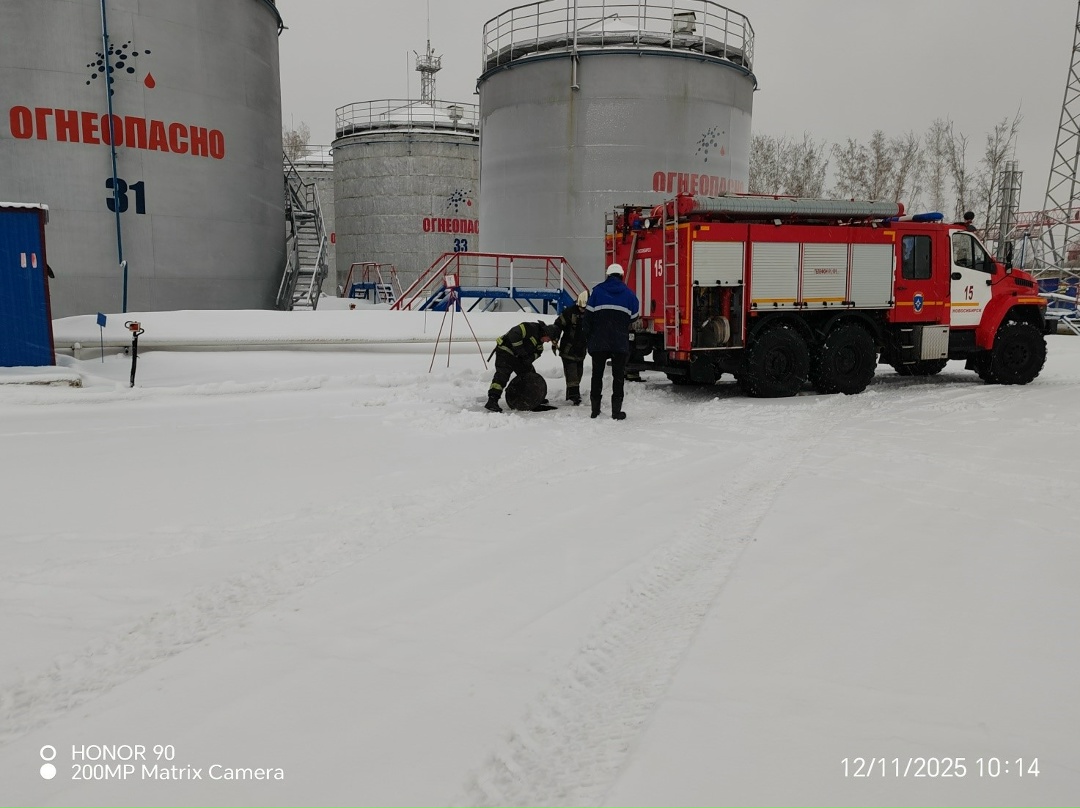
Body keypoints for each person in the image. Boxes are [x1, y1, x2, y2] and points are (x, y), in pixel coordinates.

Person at [584, 263, 640, 420]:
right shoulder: (630, 294)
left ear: (608, 275)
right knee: (618, 377)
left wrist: (589, 337)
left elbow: (587, 318)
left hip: (599, 342)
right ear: (621, 276)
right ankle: (616, 411)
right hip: (619, 342)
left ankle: (595, 410)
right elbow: (634, 317)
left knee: (597, 376)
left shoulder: (597, 292)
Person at [485, 320, 558, 412]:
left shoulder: (539, 345)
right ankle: (492, 401)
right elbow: (513, 334)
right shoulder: (530, 328)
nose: (547, 342)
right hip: (505, 351)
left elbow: (536, 354)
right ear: (546, 333)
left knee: (530, 374)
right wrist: (521, 351)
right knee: (502, 376)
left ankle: (534, 397)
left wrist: (528, 359)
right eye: (549, 339)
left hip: (518, 357)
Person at [551, 289, 589, 405]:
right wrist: (555, 339)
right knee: (572, 374)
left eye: (584, 308)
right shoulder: (569, 312)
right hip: (568, 349)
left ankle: (571, 394)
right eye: (581, 308)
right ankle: (574, 396)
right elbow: (558, 326)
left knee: (578, 374)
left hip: (581, 350)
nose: (583, 310)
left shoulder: (590, 314)